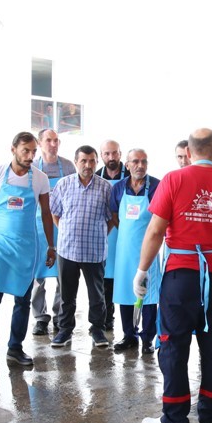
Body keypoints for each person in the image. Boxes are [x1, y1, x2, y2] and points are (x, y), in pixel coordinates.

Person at [138, 128, 212, 423]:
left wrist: (142, 270)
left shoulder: (173, 180)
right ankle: (209, 414)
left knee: (173, 344)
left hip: (179, 275)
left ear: (188, 152)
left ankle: (174, 419)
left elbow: (154, 232)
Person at [0, 132, 54, 369]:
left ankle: (15, 348)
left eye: (33, 152)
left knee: (22, 299)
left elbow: (46, 213)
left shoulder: (39, 178)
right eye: (25, 151)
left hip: (27, 247)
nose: (30, 156)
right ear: (13, 149)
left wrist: (51, 246)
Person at [50, 145, 114, 349]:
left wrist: (101, 234)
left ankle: (97, 330)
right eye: (84, 161)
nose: (88, 165)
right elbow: (55, 212)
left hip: (95, 251)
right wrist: (67, 231)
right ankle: (65, 330)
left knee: (97, 295)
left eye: (92, 161)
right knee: (67, 294)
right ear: (76, 162)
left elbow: (111, 218)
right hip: (67, 250)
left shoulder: (105, 187)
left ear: (97, 162)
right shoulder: (63, 184)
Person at [110, 148, 161, 353]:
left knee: (148, 295)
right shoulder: (119, 188)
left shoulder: (156, 186)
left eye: (144, 161)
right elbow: (113, 214)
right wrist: (126, 231)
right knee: (125, 291)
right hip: (124, 249)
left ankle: (147, 338)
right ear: (127, 164)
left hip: (148, 248)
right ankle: (128, 335)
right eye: (135, 162)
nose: (140, 166)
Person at [31, 129, 77, 337]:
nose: (53, 144)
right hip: (38, 227)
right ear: (40, 143)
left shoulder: (67, 166)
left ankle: (60, 316)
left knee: (63, 275)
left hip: (62, 227)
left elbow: (74, 195)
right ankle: (40, 318)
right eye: (48, 140)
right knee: (38, 276)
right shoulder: (32, 167)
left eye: (56, 140)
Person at [97, 139, 129, 331]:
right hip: (104, 235)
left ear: (120, 154)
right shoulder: (96, 176)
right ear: (102, 156)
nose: (111, 157)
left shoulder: (130, 176)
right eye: (107, 154)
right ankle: (107, 317)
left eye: (114, 153)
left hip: (126, 234)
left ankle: (130, 323)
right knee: (104, 280)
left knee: (125, 277)